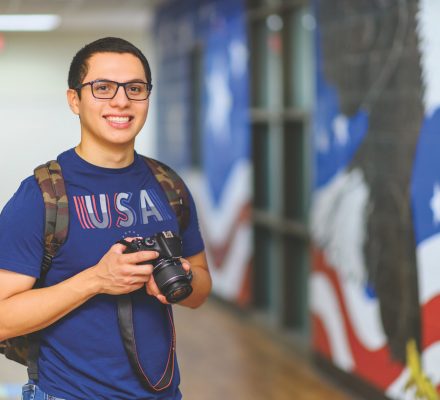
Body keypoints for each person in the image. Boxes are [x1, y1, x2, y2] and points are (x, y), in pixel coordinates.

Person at [0, 37, 211, 400]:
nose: (121, 101)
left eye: (135, 88)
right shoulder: (41, 195)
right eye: (103, 88)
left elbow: (200, 290)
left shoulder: (168, 185)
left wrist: (183, 279)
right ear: (74, 100)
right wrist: (97, 280)